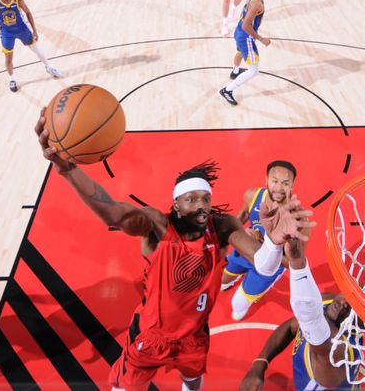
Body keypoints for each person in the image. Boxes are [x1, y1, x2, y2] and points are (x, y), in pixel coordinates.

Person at [34, 118, 315, 391]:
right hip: (150, 336)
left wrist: (275, 242)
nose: (201, 205)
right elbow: (112, 212)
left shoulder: (222, 227)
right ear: (176, 204)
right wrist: (67, 168)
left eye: (205, 198)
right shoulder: (157, 225)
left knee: (193, 380)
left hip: (194, 337)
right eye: (191, 199)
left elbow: (265, 266)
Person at [239, 232, 365, 391]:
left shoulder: (335, 351)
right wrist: (259, 364)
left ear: (361, 327)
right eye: (352, 295)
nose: (344, 303)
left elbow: (308, 316)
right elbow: (292, 326)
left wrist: (296, 261)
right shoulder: (330, 302)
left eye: (357, 310)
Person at [221, 160, 297, 320]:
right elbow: (242, 215)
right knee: (221, 281)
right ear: (266, 180)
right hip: (244, 252)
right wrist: (239, 232)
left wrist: (264, 244)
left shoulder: (293, 219)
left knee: (237, 306)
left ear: (292, 185)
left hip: (268, 268)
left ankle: (249, 295)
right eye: (274, 181)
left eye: (285, 183)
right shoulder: (253, 195)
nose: (278, 187)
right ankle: (231, 280)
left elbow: (292, 264)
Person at [0, 0, 63, 92]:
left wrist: (34, 30)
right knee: (8, 57)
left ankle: (49, 67)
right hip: (7, 33)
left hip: (22, 29)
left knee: (37, 50)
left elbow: (28, 13)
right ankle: (12, 79)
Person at [219, 0, 271, 106]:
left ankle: (235, 71)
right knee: (253, 71)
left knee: (240, 52)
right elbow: (247, 24)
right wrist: (261, 39)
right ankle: (227, 90)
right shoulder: (257, 4)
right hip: (245, 36)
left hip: (239, 32)